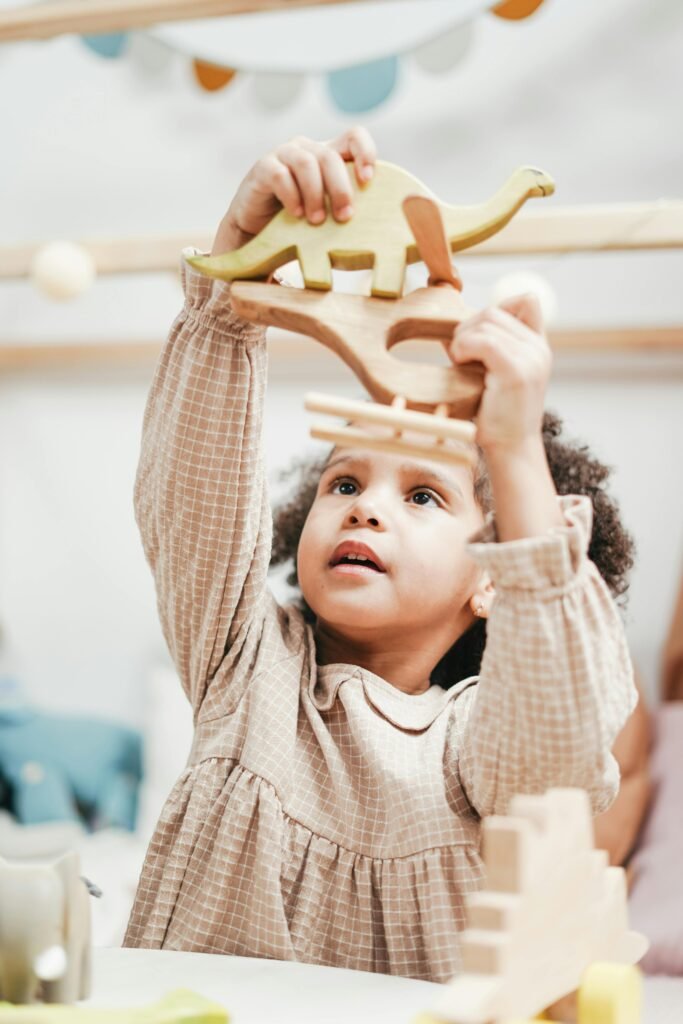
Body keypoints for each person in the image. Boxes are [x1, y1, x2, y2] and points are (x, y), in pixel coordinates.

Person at [124, 128, 637, 983]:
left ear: (491, 578)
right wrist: (234, 282)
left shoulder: (474, 746)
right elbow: (195, 491)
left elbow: (560, 731)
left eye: (423, 496)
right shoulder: (245, 667)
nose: (364, 506)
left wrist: (511, 452)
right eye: (343, 483)